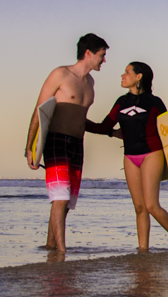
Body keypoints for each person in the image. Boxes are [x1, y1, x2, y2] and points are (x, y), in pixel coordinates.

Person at [87, 61, 168, 251]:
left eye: (127, 72)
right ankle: (143, 250)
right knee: (139, 207)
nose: (122, 75)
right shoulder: (121, 102)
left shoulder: (154, 102)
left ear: (139, 76)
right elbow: (104, 126)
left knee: (151, 205)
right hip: (130, 157)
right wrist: (80, 121)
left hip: (152, 154)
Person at [26, 33, 109, 253]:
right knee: (60, 197)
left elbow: (81, 120)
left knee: (66, 202)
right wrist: (30, 147)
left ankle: (51, 246)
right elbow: (39, 110)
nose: (104, 60)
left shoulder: (90, 82)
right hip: (56, 141)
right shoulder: (60, 74)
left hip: (77, 143)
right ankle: (63, 252)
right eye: (102, 55)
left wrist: (110, 132)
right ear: (88, 53)